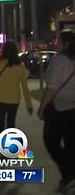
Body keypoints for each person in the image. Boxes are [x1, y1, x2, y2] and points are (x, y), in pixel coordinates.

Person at [37, 30, 75, 193]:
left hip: (60, 108)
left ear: (66, 44)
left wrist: (42, 107)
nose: (56, 43)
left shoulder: (60, 60)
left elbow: (51, 88)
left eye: (58, 41)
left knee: (50, 141)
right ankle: (69, 175)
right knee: (71, 144)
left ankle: (69, 174)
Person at [0, 40, 33, 137]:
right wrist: (29, 105)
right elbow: (25, 87)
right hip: (14, 99)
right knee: (11, 124)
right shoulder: (20, 66)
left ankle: (2, 144)